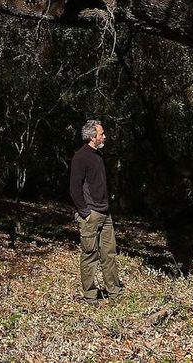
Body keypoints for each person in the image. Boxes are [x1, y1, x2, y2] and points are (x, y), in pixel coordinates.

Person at [68, 118, 124, 301]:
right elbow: (74, 189)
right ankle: (91, 295)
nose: (104, 137)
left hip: (105, 213)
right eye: (102, 134)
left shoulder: (98, 155)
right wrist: (85, 212)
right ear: (92, 136)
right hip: (91, 214)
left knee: (109, 253)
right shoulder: (80, 157)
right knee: (90, 255)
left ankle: (114, 292)